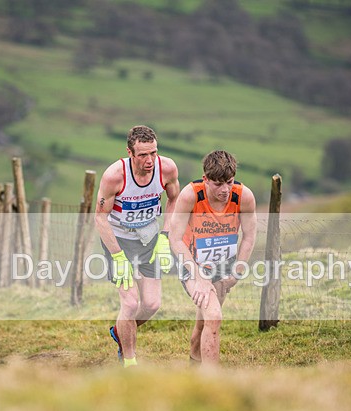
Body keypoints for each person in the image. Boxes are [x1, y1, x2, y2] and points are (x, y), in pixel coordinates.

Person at [95, 125, 180, 367]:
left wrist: (164, 237)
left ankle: (120, 331)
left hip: (149, 239)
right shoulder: (115, 175)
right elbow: (100, 217)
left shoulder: (167, 168)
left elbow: (175, 199)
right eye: (143, 155)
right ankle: (130, 362)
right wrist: (118, 257)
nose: (150, 160)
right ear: (130, 153)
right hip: (119, 241)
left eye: (153, 153)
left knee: (152, 304)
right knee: (131, 303)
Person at [169, 150, 257, 367]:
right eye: (218, 183)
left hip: (223, 267)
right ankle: (212, 381)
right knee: (214, 316)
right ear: (206, 179)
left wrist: (237, 271)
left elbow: (249, 235)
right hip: (192, 264)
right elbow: (175, 239)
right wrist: (198, 277)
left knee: (205, 323)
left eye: (229, 182)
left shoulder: (243, 197)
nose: (225, 189)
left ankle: (194, 363)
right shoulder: (191, 196)